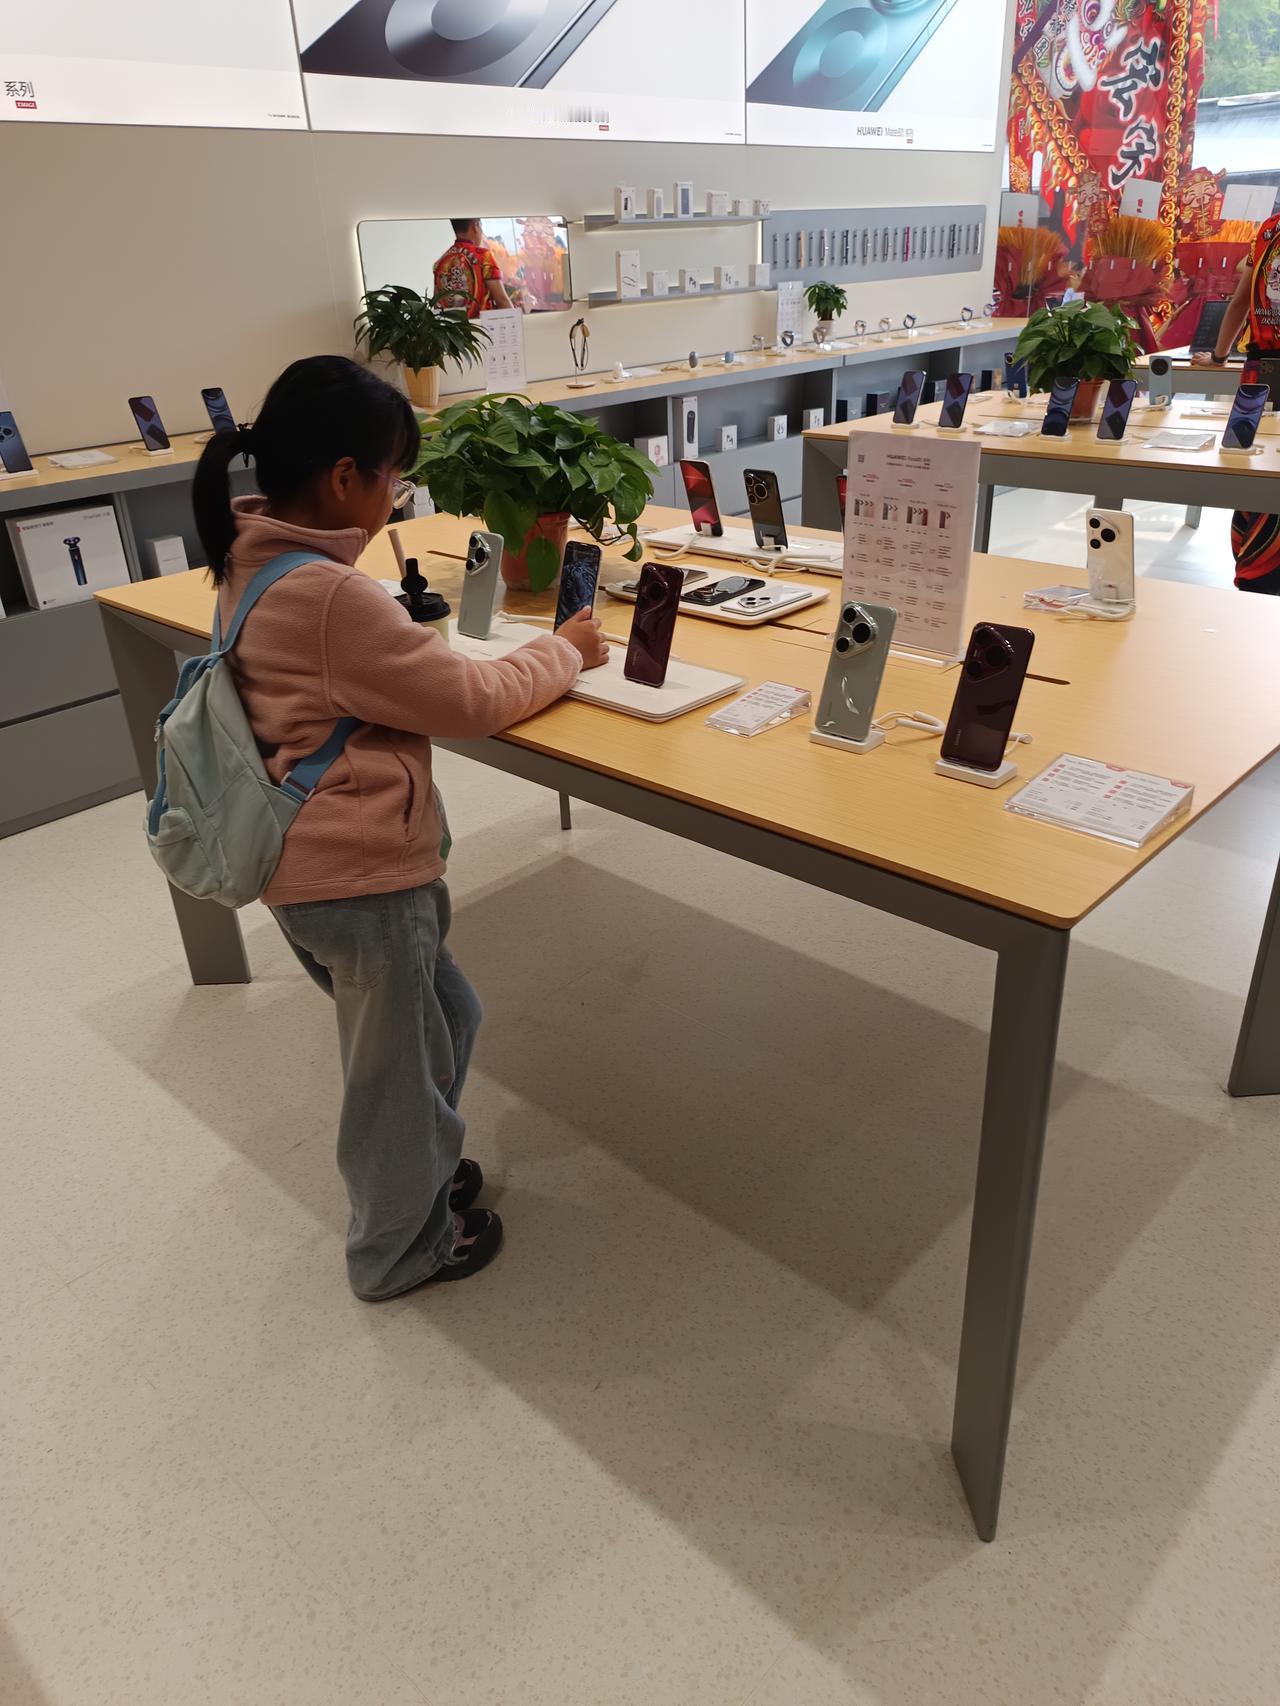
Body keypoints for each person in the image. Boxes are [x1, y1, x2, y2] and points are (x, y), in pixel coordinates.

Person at [191, 355, 608, 1300]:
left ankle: (420, 1166)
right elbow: (468, 700)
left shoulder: (253, 557)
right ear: (347, 477)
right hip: (361, 876)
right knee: (395, 1076)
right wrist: (565, 651)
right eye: (394, 477)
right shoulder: (330, 595)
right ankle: (397, 1248)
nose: (396, 498)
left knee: (445, 1021)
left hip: (309, 871)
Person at [1192, 209, 1280, 592]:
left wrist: (1219, 356)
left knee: (1254, 471)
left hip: (1260, 376)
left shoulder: (1269, 230)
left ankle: (1255, 567)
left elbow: (1240, 301)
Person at [432, 218, 513, 319]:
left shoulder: (441, 261)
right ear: (475, 226)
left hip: (452, 327)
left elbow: (437, 304)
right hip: (479, 326)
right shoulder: (484, 256)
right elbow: (501, 299)